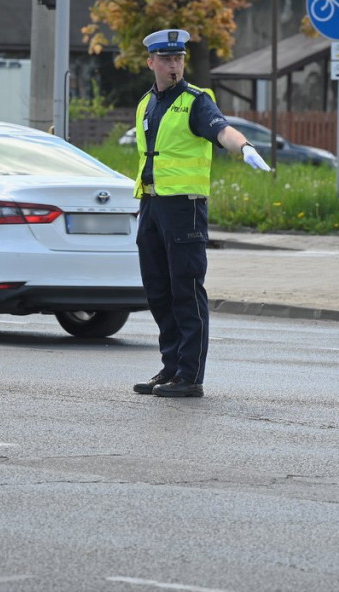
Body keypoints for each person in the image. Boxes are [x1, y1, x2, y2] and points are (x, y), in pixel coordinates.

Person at [131, 28, 271, 398]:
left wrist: (243, 148)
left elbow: (221, 129)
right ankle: (171, 367)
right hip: (152, 204)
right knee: (158, 291)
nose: (174, 64)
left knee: (186, 290)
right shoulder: (146, 104)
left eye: (178, 58)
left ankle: (190, 375)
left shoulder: (195, 100)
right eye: (166, 59)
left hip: (185, 209)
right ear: (151, 63)